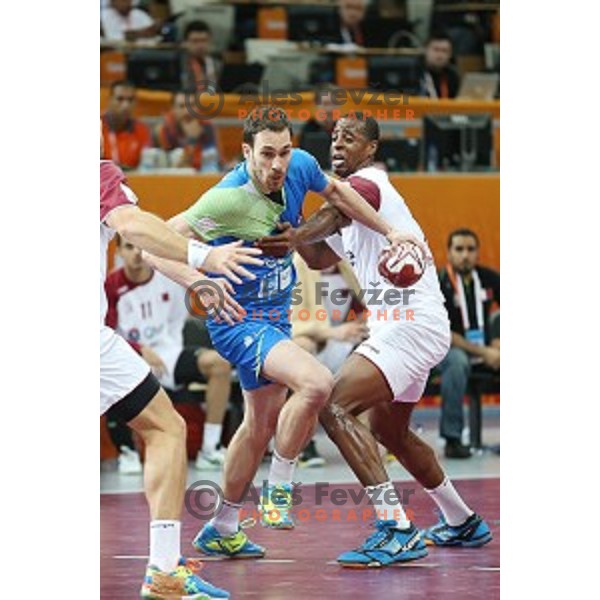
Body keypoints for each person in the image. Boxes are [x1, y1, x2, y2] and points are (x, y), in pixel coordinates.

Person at [142, 105, 411, 559]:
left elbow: (342, 196)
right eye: (266, 154)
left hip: (277, 316)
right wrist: (201, 279)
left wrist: (390, 232)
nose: (277, 165)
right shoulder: (225, 198)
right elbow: (153, 246)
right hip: (238, 320)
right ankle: (278, 488)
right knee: (317, 383)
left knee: (259, 424)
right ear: (246, 151)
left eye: (284, 152)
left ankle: (223, 526)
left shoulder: (301, 166)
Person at [257, 113, 492, 568]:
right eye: (334, 138)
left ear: (371, 150)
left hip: (410, 324)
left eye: (350, 138)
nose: (338, 144)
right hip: (403, 327)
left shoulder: (371, 182)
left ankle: (395, 528)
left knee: (332, 404)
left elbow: (326, 218)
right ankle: (461, 520)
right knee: (391, 432)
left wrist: (297, 233)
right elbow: (320, 254)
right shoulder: (348, 211)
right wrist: (290, 223)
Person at [100, 129, 263, 595]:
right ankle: (165, 569)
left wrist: (195, 279)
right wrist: (206, 255)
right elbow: (133, 226)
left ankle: (166, 566)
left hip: (147, 350)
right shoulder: (99, 175)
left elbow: (146, 246)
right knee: (165, 428)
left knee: (165, 424)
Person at [105, 235, 233, 470]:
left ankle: (210, 448)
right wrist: (139, 349)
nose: (136, 253)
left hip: (168, 356)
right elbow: (105, 333)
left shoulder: (168, 277)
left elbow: (198, 287)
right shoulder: (110, 286)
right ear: (119, 252)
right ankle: (127, 451)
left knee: (219, 363)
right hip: (128, 356)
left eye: (142, 247)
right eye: (129, 247)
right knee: (107, 377)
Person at [292, 253, 369, 467]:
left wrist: (363, 324)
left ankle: (377, 437)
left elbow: (369, 305)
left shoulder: (346, 266)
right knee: (302, 348)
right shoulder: (299, 265)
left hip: (345, 343)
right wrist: (331, 333)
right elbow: (291, 323)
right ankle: (303, 444)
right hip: (316, 342)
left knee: (380, 353)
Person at [436, 228, 500, 458]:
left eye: (470, 249)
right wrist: (484, 351)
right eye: (459, 249)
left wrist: (498, 341)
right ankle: (452, 439)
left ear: (477, 252)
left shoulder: (488, 278)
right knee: (457, 362)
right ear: (449, 253)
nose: (465, 255)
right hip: (447, 349)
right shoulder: (438, 283)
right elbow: (444, 333)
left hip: (486, 349)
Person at [155, 91, 222, 172]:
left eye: (192, 106)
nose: (187, 112)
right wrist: (192, 140)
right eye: (181, 106)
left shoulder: (207, 127)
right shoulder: (164, 129)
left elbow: (214, 160)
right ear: (173, 109)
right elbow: (174, 166)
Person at [101, 80, 151, 170]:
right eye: (120, 99)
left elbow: (147, 166)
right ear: (110, 100)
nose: (125, 105)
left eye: (130, 100)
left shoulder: (142, 129)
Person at [180, 20, 222, 92]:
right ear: (185, 43)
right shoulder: (179, 64)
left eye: (204, 40)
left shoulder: (218, 65)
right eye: (195, 41)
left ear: (210, 41)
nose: (200, 46)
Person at [420, 31, 461, 99]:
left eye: (444, 51)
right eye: (436, 50)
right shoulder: (415, 72)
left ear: (450, 54)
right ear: (426, 50)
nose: (440, 55)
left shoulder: (452, 76)